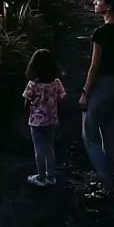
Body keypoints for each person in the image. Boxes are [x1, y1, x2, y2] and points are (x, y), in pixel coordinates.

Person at [80, 0, 114, 193]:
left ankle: (106, 180)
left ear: (108, 6)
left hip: (101, 85)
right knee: (109, 133)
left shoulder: (100, 33)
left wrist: (84, 92)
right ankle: (110, 174)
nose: (95, 2)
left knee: (89, 135)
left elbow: (94, 67)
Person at [22, 48, 66, 187]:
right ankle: (51, 176)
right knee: (49, 148)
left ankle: (41, 177)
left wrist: (26, 116)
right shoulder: (56, 83)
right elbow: (61, 97)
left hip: (36, 122)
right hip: (51, 120)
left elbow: (26, 102)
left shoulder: (33, 85)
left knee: (39, 149)